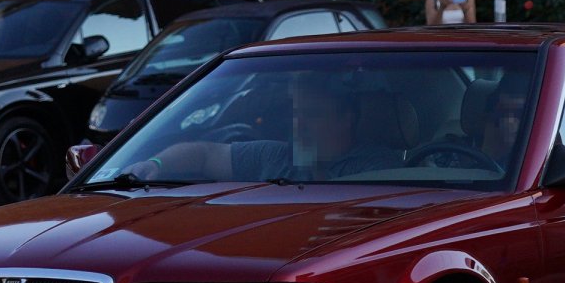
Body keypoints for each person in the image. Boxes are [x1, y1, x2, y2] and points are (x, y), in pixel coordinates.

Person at [127, 74, 401, 183]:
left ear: (347, 119)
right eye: (297, 114)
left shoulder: (377, 167)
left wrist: (313, 165)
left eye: (313, 115)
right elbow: (205, 154)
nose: (300, 124)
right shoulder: (276, 156)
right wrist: (157, 163)